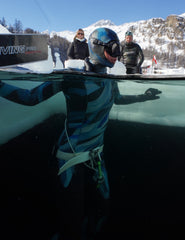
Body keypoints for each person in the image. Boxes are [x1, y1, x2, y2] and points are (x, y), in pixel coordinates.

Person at [0, 27, 161, 240]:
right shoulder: (72, 79)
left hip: (96, 154)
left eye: (118, 49)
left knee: (103, 208)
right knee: (71, 220)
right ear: (96, 47)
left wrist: (144, 96)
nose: (116, 54)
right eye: (112, 49)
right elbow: (30, 98)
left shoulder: (109, 83)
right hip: (70, 159)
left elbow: (118, 99)